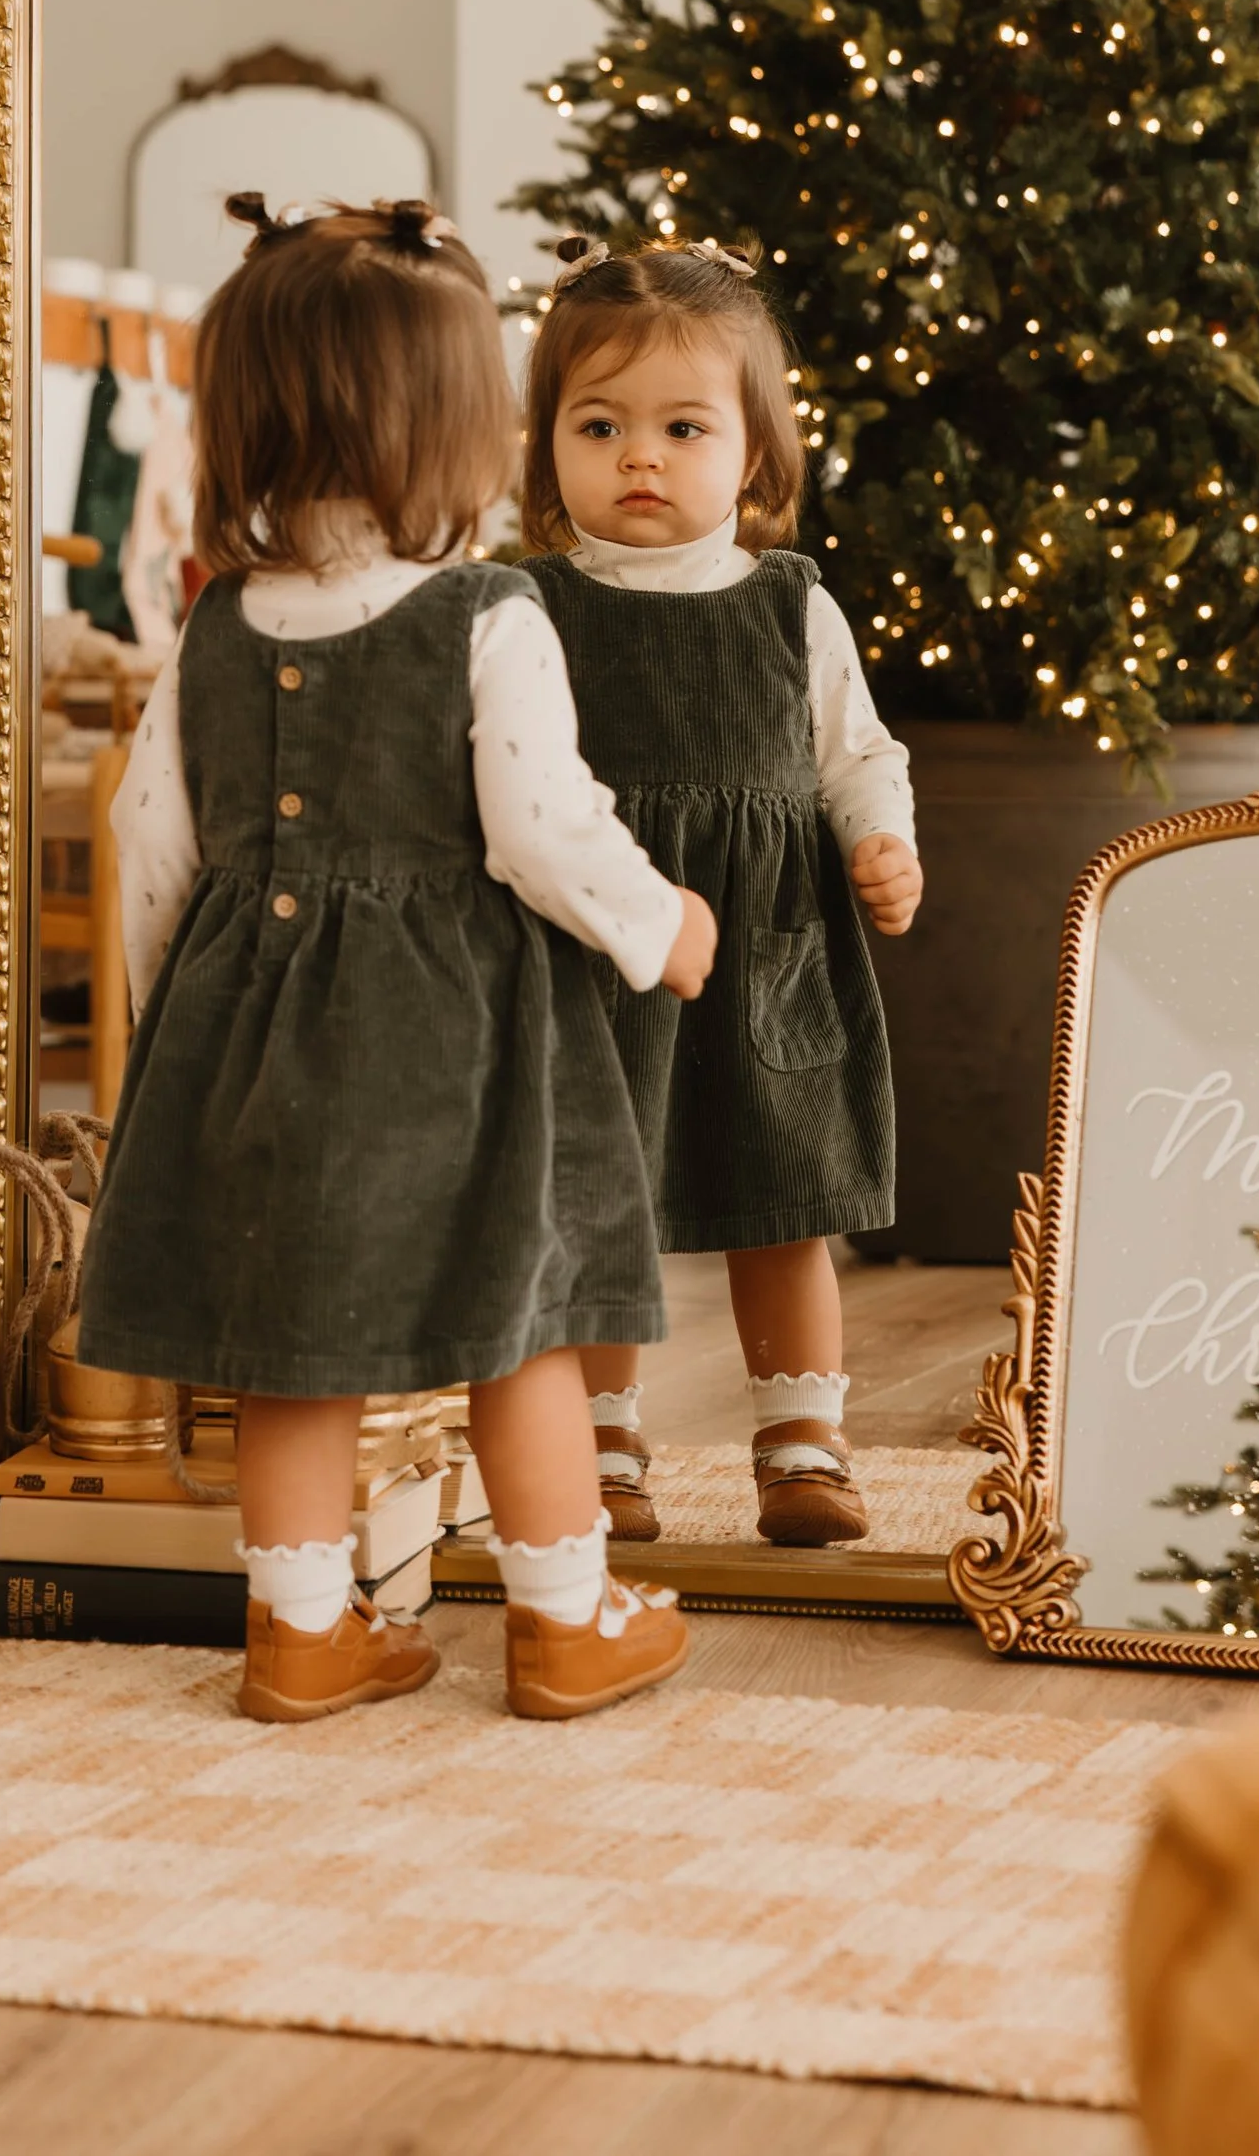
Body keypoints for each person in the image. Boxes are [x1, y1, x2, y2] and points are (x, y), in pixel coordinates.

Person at [75, 196, 719, 1725]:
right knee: (522, 1323)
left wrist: (183, 1019)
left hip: (261, 1040)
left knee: (296, 1350)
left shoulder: (217, 627)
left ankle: (301, 1630)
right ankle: (567, 1619)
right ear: (448, 430)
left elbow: (146, 844)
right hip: (463, 1055)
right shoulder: (488, 614)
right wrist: (662, 926)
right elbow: (541, 829)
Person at [521, 237, 923, 1547]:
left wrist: (882, 840)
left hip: (766, 951)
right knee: (598, 1202)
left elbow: (857, 751)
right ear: (549, 446)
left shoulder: (790, 604)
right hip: (594, 957)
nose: (641, 455)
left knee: (783, 1197)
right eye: (601, 424)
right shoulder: (525, 607)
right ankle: (601, 1440)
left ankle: (803, 1438)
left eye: (683, 426)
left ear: (752, 453)